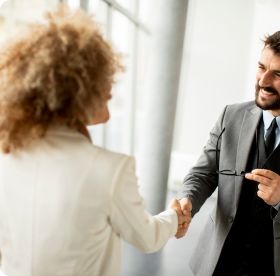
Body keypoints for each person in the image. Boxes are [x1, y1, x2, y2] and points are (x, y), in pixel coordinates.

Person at [0, 5, 191, 276]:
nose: (111, 91)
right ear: (77, 91)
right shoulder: (110, 169)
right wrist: (175, 217)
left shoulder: (7, 152)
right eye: (105, 81)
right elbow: (147, 237)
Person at [176, 28, 280, 276]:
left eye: (278, 74)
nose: (263, 80)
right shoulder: (231, 115)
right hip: (218, 263)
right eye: (261, 67)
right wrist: (188, 201)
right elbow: (204, 174)